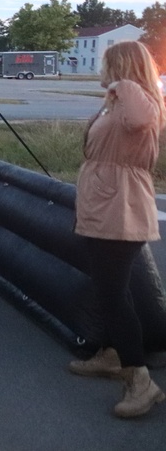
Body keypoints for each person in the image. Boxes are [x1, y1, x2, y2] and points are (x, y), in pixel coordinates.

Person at [69, 41, 166, 419]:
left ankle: (140, 381)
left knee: (113, 295)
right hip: (103, 205)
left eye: (107, 64)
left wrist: (124, 83)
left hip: (120, 208)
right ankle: (111, 355)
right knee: (109, 288)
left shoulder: (138, 98)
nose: (100, 71)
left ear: (122, 66)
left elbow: (141, 121)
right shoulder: (119, 101)